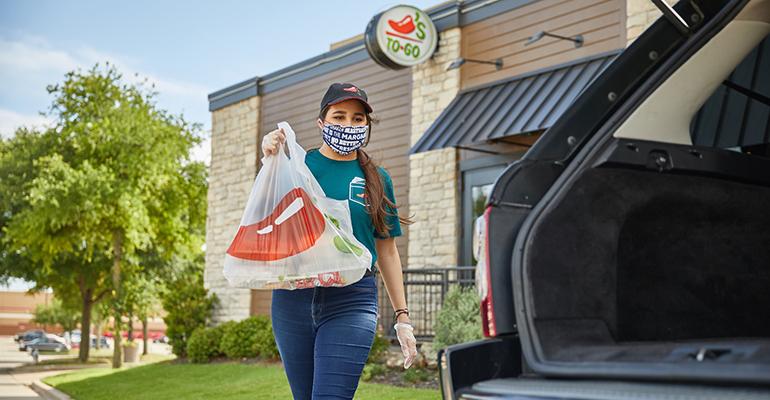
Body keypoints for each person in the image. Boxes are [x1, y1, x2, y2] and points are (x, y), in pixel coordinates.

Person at [261, 82, 419, 399]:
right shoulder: (297, 168)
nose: (349, 125)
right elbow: (266, 219)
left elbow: (387, 251)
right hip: (294, 299)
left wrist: (403, 320)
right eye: (339, 116)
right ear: (322, 122)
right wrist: (270, 160)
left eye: (358, 119)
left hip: (352, 301)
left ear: (366, 125)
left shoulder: (378, 179)